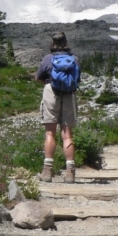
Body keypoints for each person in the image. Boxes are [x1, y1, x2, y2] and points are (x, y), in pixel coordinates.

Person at [34, 31, 79, 183]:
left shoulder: (48, 59)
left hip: (50, 92)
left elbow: (38, 78)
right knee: (67, 135)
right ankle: (70, 172)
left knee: (50, 133)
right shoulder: (74, 59)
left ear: (52, 43)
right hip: (69, 94)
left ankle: (47, 171)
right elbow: (77, 79)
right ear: (66, 42)